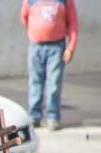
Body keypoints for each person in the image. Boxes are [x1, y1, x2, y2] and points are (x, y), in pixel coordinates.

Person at [23, 0, 79, 131]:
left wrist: (70, 48)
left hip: (57, 47)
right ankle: (34, 117)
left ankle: (52, 117)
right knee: (35, 82)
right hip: (36, 46)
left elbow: (73, 24)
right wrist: (34, 33)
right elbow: (25, 18)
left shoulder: (65, 1)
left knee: (53, 84)